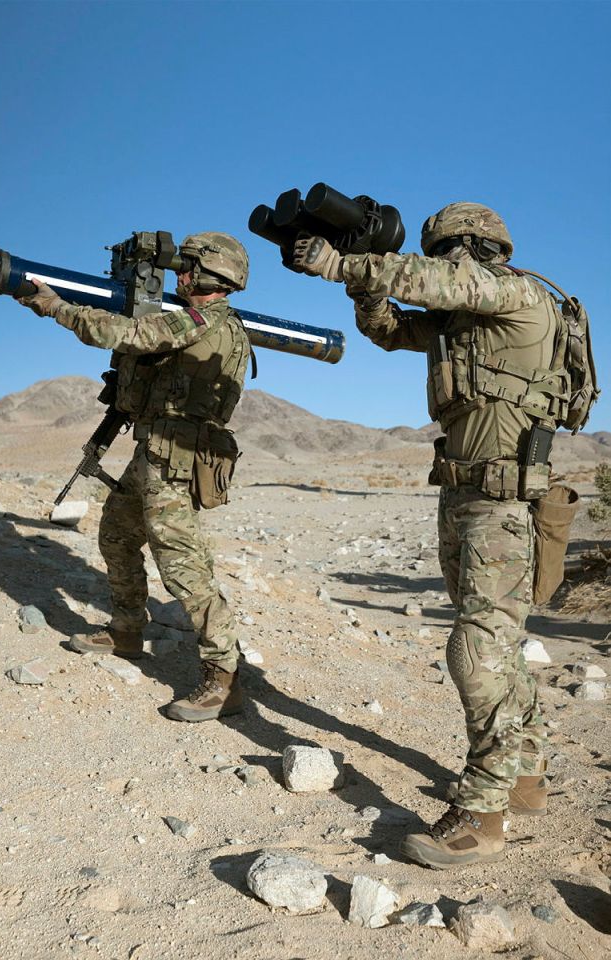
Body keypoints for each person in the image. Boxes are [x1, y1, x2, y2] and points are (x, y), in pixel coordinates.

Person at [293, 203, 578, 868]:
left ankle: (482, 812)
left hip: (503, 505)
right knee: (493, 641)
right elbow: (387, 329)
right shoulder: (462, 327)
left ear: (478, 250)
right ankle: (526, 772)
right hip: (461, 497)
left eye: (449, 251)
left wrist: (346, 260)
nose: (443, 263)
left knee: (476, 651)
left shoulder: (514, 294)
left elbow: (434, 284)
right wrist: (360, 284)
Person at [17, 232, 251, 723]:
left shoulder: (204, 322)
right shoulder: (191, 321)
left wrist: (56, 306)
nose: (180, 275)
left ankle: (224, 676)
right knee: (117, 534)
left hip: (179, 457)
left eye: (187, 267)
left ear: (212, 275)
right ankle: (126, 631)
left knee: (184, 568)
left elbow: (126, 335)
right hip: (156, 449)